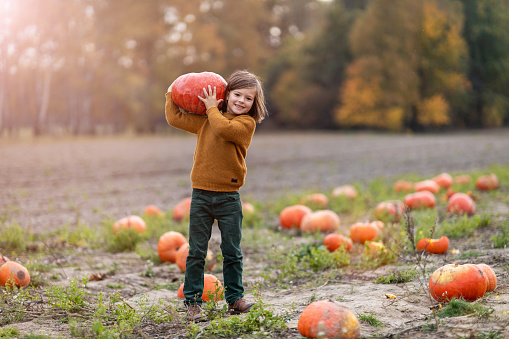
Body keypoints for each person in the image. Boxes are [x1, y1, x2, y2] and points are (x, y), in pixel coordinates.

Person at [165, 70, 267, 322]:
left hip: (228, 198)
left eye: (249, 98)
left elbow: (224, 129)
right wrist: (170, 93)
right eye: (237, 94)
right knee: (196, 252)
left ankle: (234, 299)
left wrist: (212, 109)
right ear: (226, 94)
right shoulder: (207, 120)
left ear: (254, 104)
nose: (242, 101)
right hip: (200, 196)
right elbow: (175, 118)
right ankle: (192, 303)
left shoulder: (245, 125)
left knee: (232, 251)